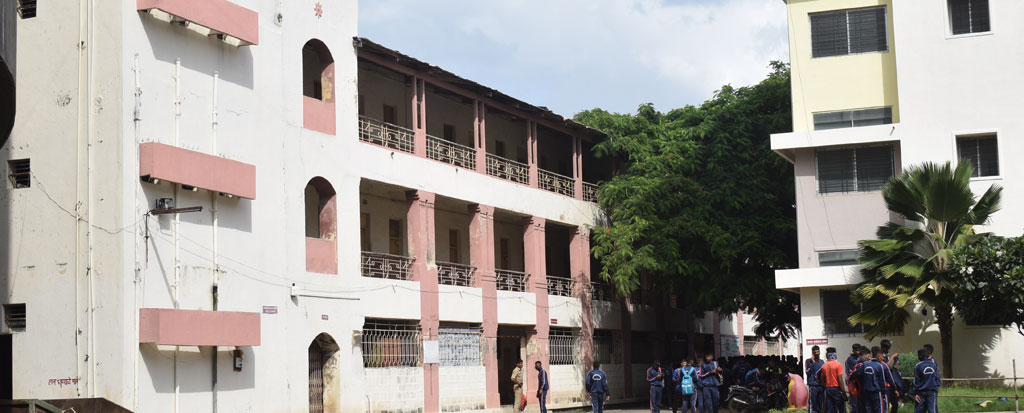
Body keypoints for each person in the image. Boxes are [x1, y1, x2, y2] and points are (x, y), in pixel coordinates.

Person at [851, 346, 896, 413]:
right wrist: (886, 392)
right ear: (879, 355)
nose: (883, 358)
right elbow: (882, 381)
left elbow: (855, 374)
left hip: (865, 392)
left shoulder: (864, 364)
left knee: (868, 410)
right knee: (879, 410)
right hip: (876, 392)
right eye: (882, 356)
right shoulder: (880, 365)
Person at [910, 348, 940, 413]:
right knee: (932, 410)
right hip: (932, 391)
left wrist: (915, 393)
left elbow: (916, 381)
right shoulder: (933, 365)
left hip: (921, 392)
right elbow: (937, 378)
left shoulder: (918, 366)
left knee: (919, 410)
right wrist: (936, 389)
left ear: (920, 356)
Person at [819, 347, 849, 413]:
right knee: (841, 408)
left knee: (830, 409)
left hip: (828, 389)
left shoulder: (824, 366)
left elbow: (822, 381)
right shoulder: (838, 365)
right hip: (837, 389)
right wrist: (844, 393)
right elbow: (840, 381)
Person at [880, 340, 903, 413]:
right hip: (885, 384)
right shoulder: (880, 356)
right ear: (882, 347)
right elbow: (885, 366)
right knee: (886, 404)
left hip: (890, 384)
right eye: (887, 348)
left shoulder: (886, 355)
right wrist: (893, 357)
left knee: (895, 404)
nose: (888, 350)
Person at [806, 345, 826, 413]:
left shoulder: (822, 362)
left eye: (818, 352)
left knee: (820, 404)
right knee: (813, 404)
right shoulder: (808, 361)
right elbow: (807, 373)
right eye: (815, 352)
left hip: (821, 386)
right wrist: (813, 363)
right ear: (812, 353)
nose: (817, 353)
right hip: (813, 386)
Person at [846, 344, 863, 413]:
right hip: (853, 382)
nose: (858, 352)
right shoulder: (849, 359)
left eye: (859, 350)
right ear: (853, 350)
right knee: (854, 401)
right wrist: (849, 381)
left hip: (861, 382)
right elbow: (847, 371)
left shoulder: (862, 358)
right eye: (856, 350)